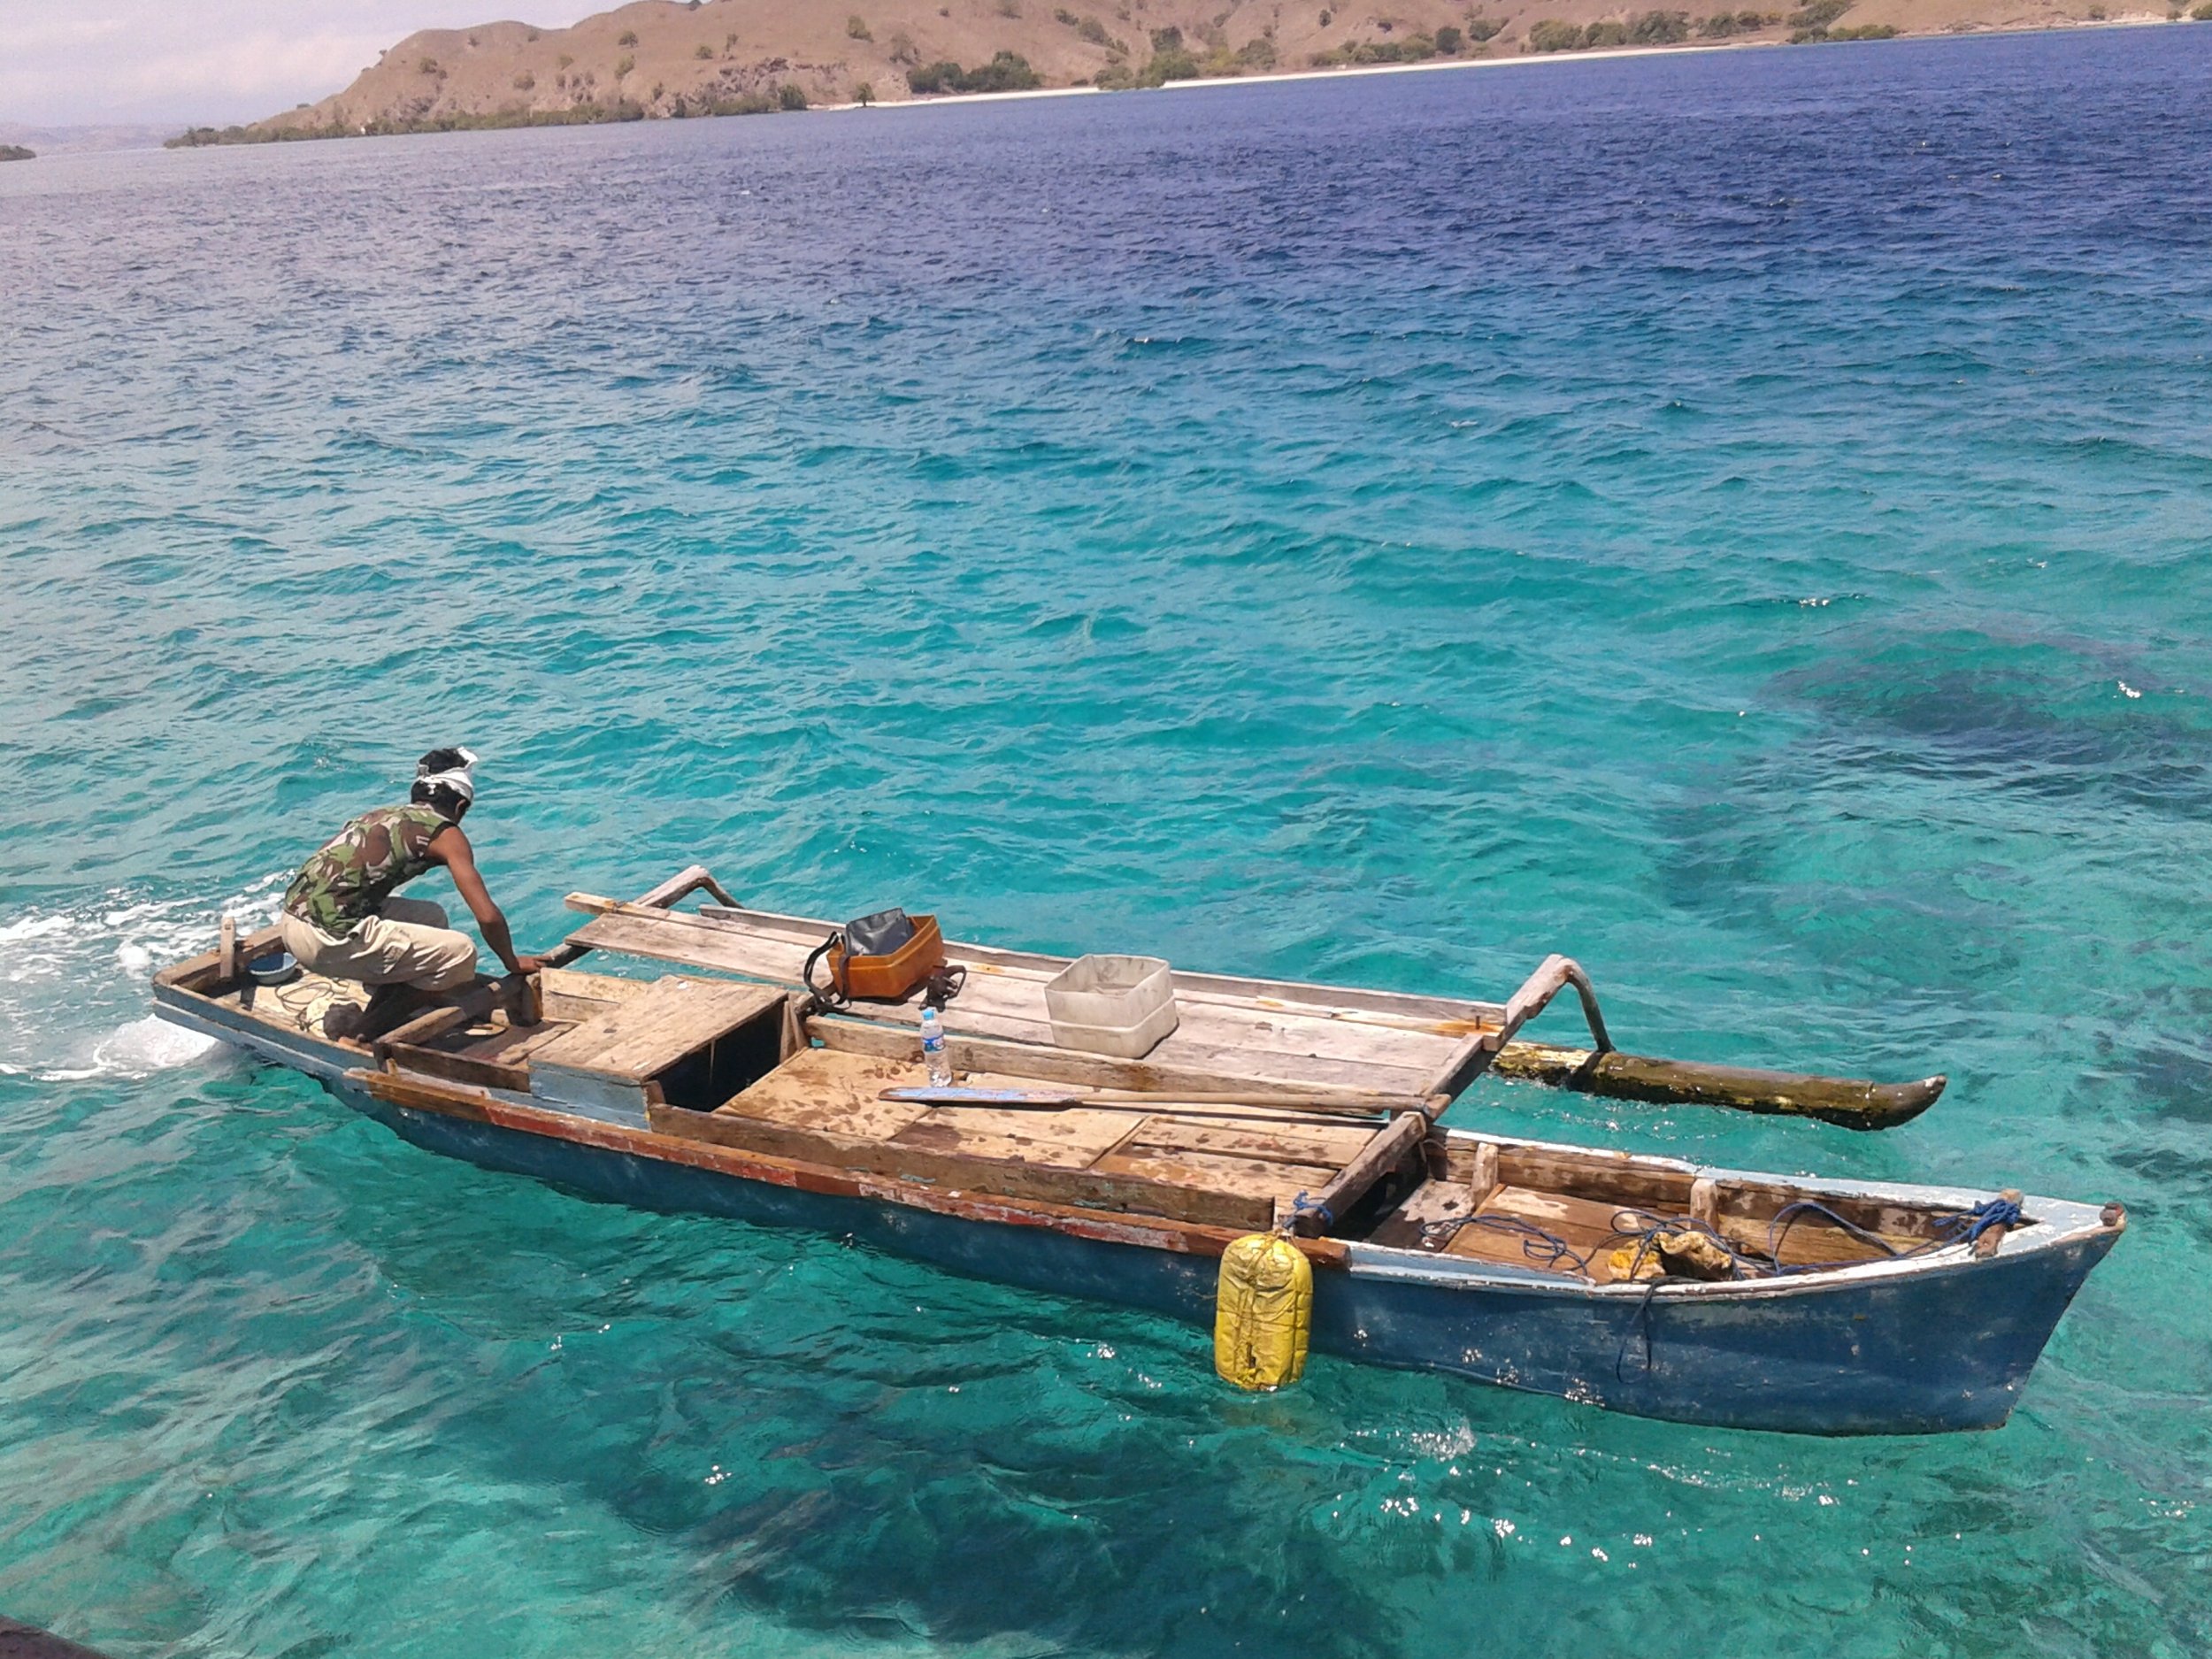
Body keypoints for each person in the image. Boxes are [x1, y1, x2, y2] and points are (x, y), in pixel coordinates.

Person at [278, 747, 543, 1035]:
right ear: (460, 808)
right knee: (460, 954)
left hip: (292, 924)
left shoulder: (381, 815)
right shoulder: (446, 834)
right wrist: (512, 962)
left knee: (431, 917)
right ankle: (364, 1034)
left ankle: (385, 1005)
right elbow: (487, 916)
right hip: (325, 940)